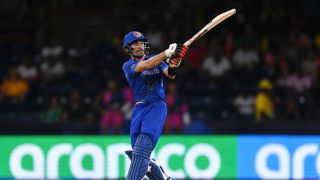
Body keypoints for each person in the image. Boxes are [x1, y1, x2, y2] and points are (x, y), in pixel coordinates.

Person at [122, 31, 188, 180]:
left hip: (156, 106)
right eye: (135, 44)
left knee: (142, 148)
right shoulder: (128, 66)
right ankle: (161, 175)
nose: (139, 46)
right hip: (139, 109)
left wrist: (174, 63)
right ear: (128, 49)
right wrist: (167, 53)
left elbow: (170, 74)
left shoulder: (156, 60)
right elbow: (147, 65)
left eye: (141, 43)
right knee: (138, 155)